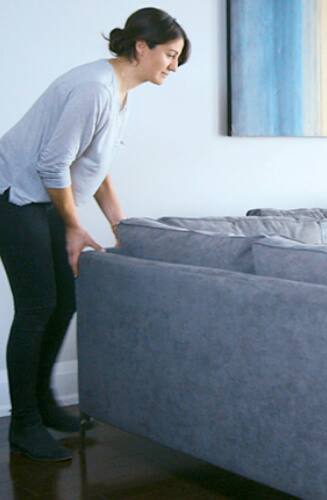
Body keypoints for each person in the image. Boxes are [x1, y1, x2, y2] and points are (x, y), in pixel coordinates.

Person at [0, 7, 189, 462]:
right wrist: (73, 225)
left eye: (178, 57)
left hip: (41, 197)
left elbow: (95, 167)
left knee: (66, 299)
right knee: (37, 305)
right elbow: (51, 164)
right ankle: (23, 424)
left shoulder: (119, 92)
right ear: (141, 47)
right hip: (13, 195)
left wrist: (121, 227)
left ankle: (43, 404)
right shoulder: (95, 89)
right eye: (170, 54)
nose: (174, 66)